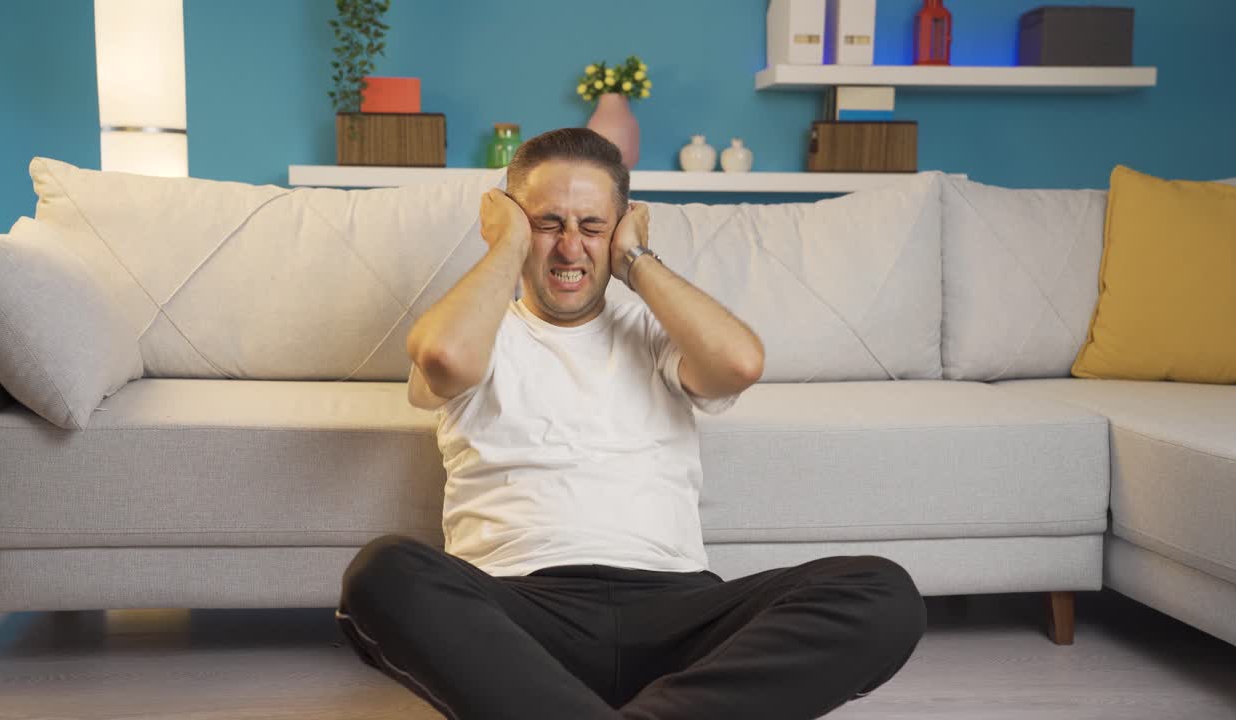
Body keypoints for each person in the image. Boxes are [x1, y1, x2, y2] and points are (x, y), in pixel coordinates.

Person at [336, 128, 925, 720]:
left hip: (678, 613)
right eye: (547, 224)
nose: (570, 248)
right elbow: (441, 358)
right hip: (523, 616)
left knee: (883, 593)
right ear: (512, 223)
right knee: (382, 575)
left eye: (592, 227)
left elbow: (739, 363)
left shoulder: (656, 331)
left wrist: (637, 261)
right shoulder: (478, 330)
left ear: (620, 230)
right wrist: (505, 248)